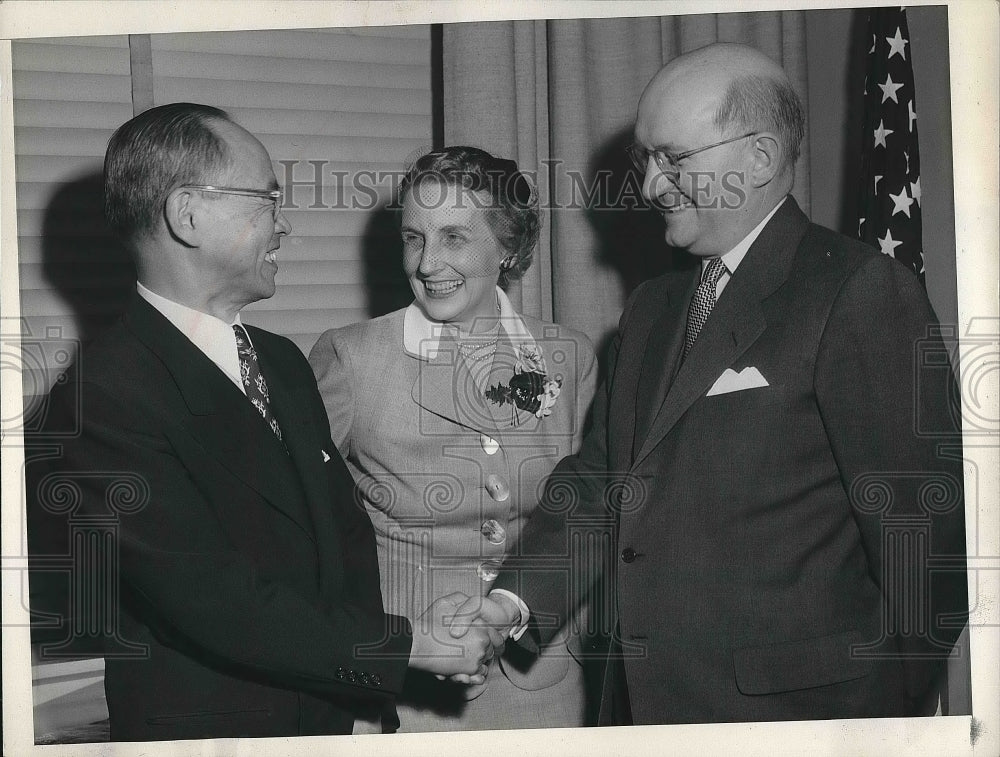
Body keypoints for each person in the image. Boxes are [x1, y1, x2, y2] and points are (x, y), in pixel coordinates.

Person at [459, 43, 969, 724]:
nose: (648, 186)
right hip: (645, 711)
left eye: (674, 159)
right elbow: (599, 481)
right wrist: (506, 604)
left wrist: (884, 717)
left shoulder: (857, 292)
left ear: (758, 158)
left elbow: (921, 545)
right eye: (646, 161)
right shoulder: (652, 309)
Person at [25, 103, 498, 742]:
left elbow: (342, 544)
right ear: (187, 215)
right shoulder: (99, 396)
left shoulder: (279, 360)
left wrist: (370, 686)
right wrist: (407, 648)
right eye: (266, 200)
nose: (285, 225)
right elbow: (212, 599)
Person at [309, 146, 598, 731]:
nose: (427, 263)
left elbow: (589, 514)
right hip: (409, 683)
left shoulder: (569, 357)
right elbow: (302, 525)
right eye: (414, 238)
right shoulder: (353, 357)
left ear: (508, 247)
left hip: (540, 679)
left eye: (454, 238)